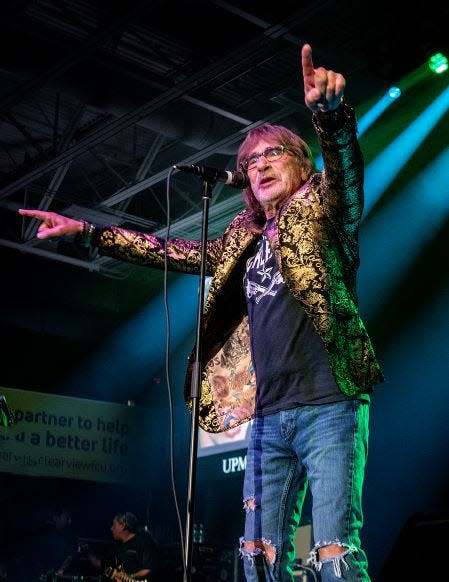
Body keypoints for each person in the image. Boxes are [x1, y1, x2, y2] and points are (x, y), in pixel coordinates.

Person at [19, 43, 384, 581]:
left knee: (333, 550)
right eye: (250, 162)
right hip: (267, 414)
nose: (258, 167)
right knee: (256, 552)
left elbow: (348, 171)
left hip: (329, 401)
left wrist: (329, 115)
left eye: (272, 155)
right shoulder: (244, 236)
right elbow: (175, 252)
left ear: (301, 163)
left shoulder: (323, 210)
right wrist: (90, 234)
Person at [88, 512, 158, 581]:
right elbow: (103, 566)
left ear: (123, 526)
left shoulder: (144, 543)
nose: (111, 528)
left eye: (114, 524)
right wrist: (88, 551)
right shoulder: (117, 548)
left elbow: (149, 569)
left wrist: (129, 576)